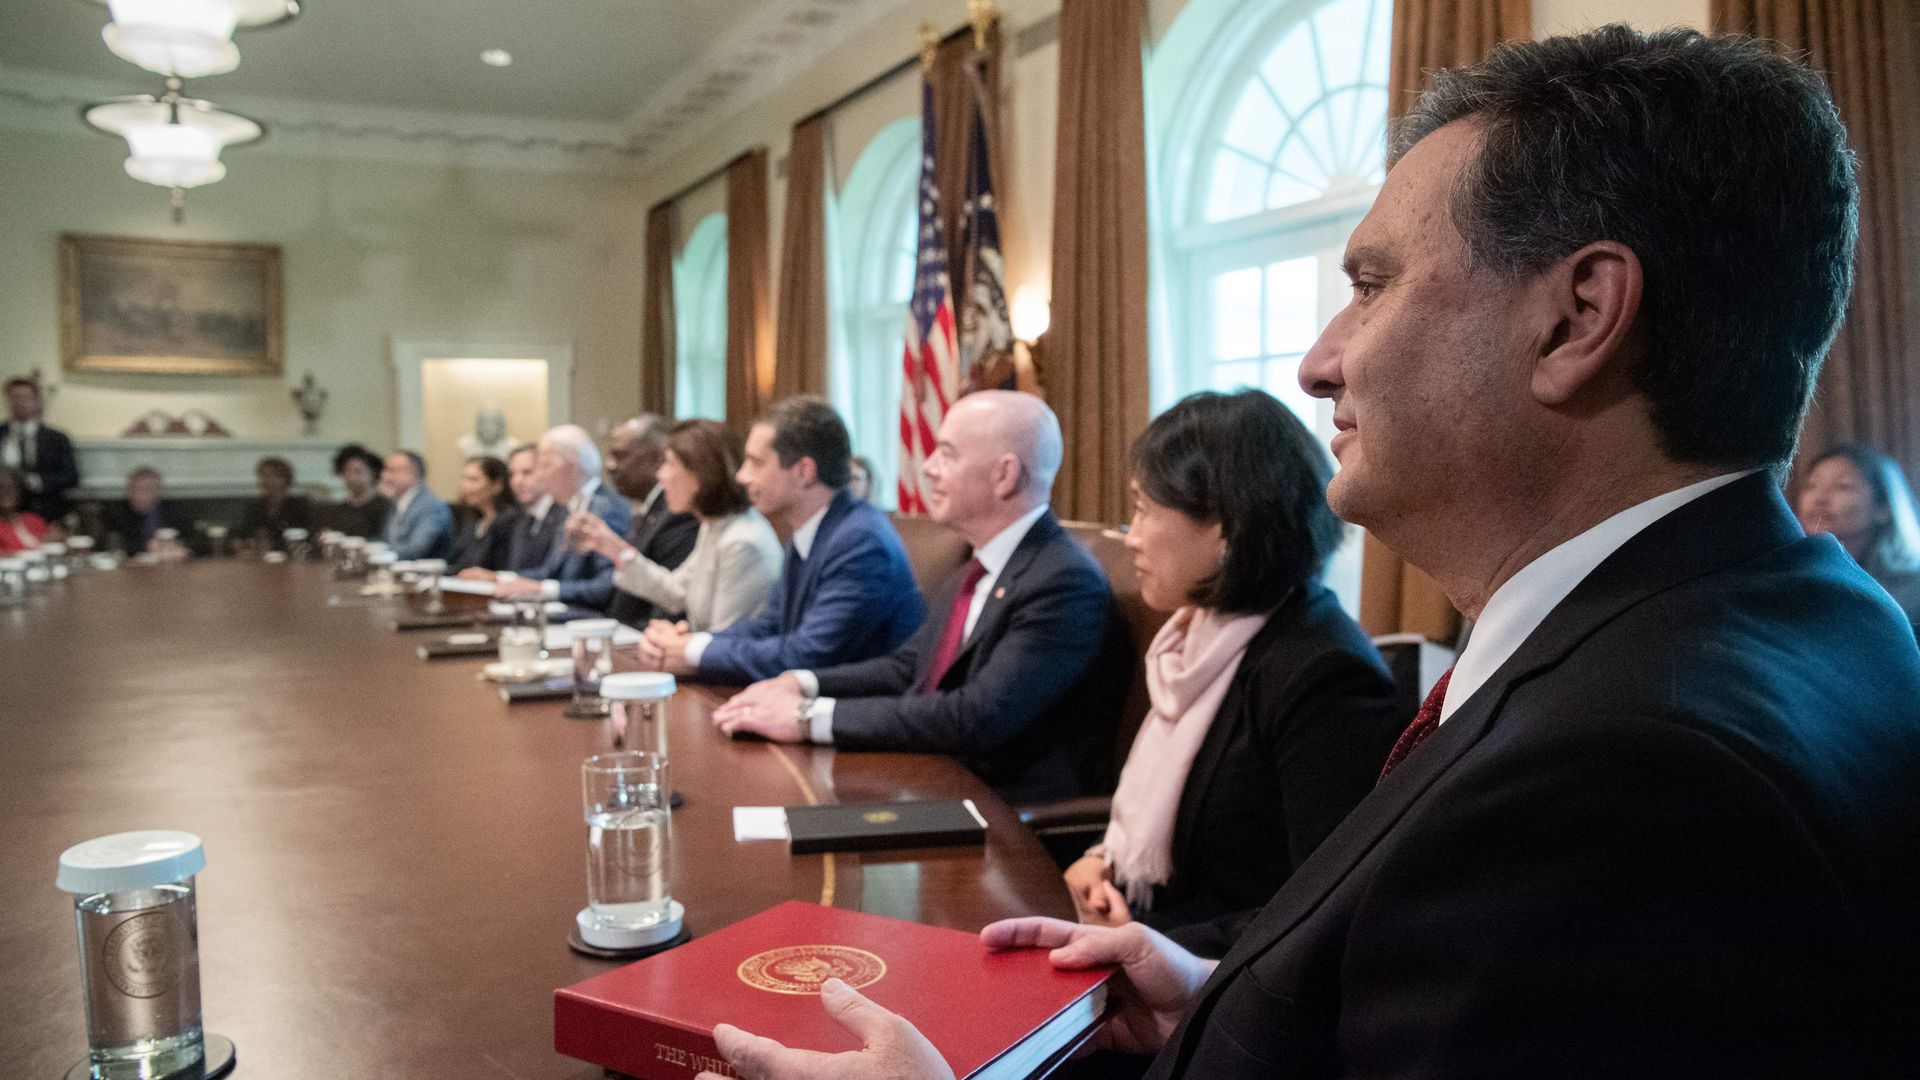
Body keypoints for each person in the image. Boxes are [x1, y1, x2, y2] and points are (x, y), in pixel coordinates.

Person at [693, 27, 1920, 1080]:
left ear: (1577, 317)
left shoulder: (1628, 774)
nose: (1319, 360)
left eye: (1373, 285)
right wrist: (1214, 995)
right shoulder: (1820, 611)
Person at [1062, 389, 1402, 941]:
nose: (1132, 538)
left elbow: (1329, 911)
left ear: (1225, 525)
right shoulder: (1194, 638)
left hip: (1218, 976)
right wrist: (1102, 860)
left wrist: (1159, 948)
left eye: (1144, 509)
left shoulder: (1325, 675)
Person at [711, 391, 1124, 802]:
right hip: (932, 779)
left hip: (1000, 809)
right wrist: (802, 683)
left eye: (947, 454)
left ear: (1005, 475)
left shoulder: (1062, 582)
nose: (927, 467)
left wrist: (808, 718)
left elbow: (973, 716)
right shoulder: (977, 566)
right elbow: (909, 667)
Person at [639, 396, 923, 684]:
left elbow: (806, 654)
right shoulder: (811, 532)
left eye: (756, 463)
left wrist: (693, 652)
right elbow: (768, 626)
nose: (742, 476)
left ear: (804, 472)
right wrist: (691, 644)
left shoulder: (860, 542)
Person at [570, 419, 781, 632]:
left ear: (700, 475)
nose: (661, 475)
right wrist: (615, 549)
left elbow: (726, 639)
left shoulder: (742, 543)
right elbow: (676, 590)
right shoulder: (714, 526)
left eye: (669, 464)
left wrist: (680, 643)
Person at [493, 425, 630, 610]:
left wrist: (542, 589)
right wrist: (502, 579)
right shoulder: (570, 508)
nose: (541, 475)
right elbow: (551, 571)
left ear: (570, 465)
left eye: (545, 465)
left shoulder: (608, 508)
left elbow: (608, 585)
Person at [1796, 443, 1920, 631]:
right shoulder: (1791, 576)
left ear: (1883, 508)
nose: (1819, 498)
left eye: (1843, 487)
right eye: (1812, 486)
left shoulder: (1913, 590)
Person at [603, 414, 699, 625]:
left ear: (655, 458)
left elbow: (671, 603)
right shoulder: (647, 507)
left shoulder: (679, 514)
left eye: (621, 456)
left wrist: (614, 549)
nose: (610, 465)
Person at [1, 377, 79, 521]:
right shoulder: (2, 434)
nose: (20, 403)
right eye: (15, 397)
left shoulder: (56, 439)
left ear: (37, 401)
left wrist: (39, 482)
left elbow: (71, 476)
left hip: (45, 511)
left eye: (25, 398)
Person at [378, 450, 453, 560]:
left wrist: (378, 554)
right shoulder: (395, 503)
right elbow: (387, 540)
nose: (384, 476)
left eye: (392, 471)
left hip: (423, 568)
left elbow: (416, 550)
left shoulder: (430, 506)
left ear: (412, 474)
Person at [449, 456, 518, 572]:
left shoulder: (510, 521)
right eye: (464, 479)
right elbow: (460, 562)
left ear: (496, 485)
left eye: (473, 480)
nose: (465, 486)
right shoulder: (471, 519)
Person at [101, 467, 190, 557]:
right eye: (137, 489)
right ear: (128, 491)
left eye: (148, 489)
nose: (142, 494)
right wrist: (146, 546)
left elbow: (193, 540)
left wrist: (180, 547)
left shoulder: (174, 510)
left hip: (171, 561)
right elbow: (112, 545)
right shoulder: (117, 512)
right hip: (133, 563)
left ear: (159, 491)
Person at [236, 456, 312, 551]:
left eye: (271, 476)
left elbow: (307, 539)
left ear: (285, 479)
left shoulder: (300, 507)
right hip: (259, 557)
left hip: (292, 556)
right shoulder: (254, 507)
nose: (265, 481)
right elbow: (244, 535)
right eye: (262, 476)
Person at [325, 444, 390, 539]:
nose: (351, 477)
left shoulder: (385, 508)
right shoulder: (339, 510)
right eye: (347, 471)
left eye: (358, 471)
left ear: (373, 473)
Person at [0, 466, 54, 553]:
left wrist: (54, 538)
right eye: (1, 488)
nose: (6, 493)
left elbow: (50, 543)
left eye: (11, 488)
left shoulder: (33, 520)